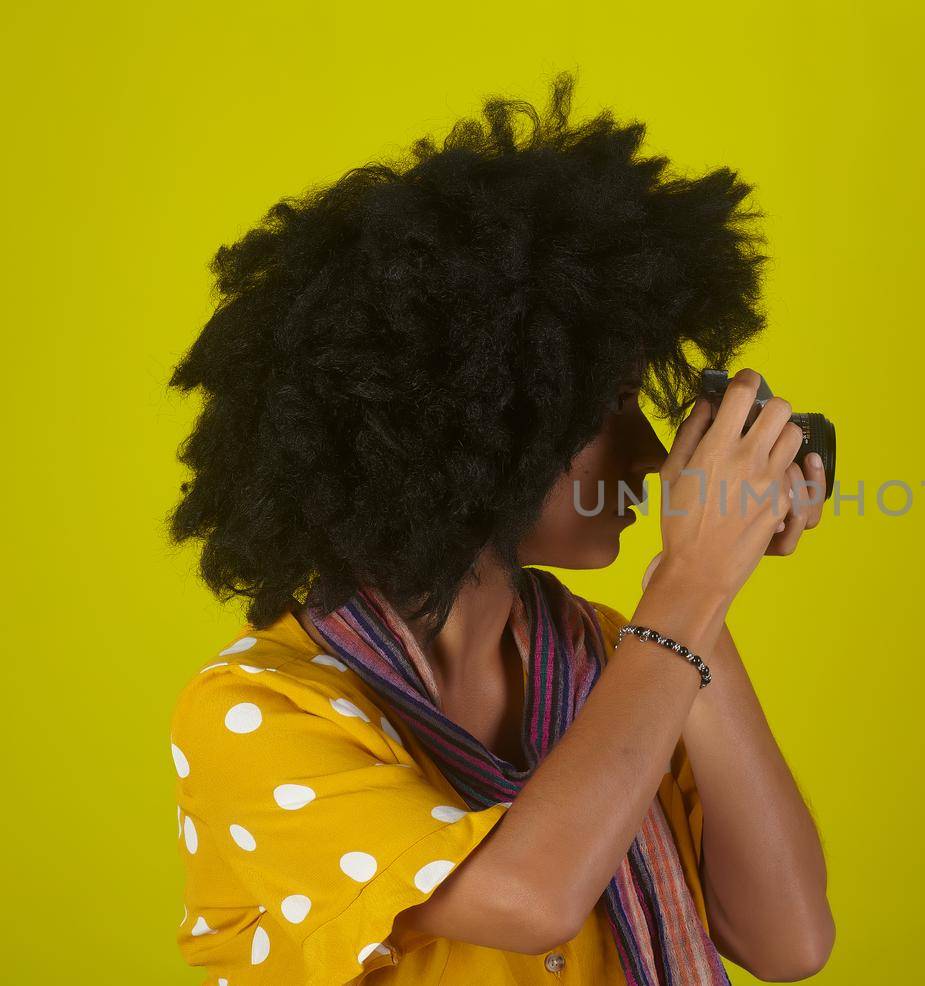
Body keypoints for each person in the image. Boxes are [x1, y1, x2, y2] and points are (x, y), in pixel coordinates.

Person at [164, 72, 834, 986]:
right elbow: (529, 899)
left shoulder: (629, 655)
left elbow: (788, 942)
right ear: (478, 426)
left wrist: (709, 578)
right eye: (613, 406)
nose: (646, 451)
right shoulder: (259, 710)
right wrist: (689, 587)